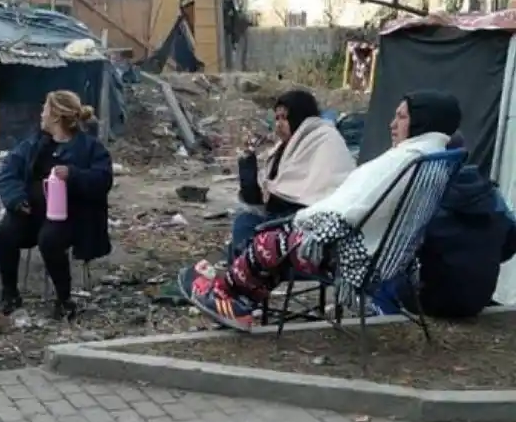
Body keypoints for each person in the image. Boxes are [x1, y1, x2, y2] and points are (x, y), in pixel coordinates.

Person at [179, 90, 462, 331]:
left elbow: (352, 204)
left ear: (423, 120)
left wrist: (307, 223)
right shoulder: (430, 157)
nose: (392, 124)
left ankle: (226, 295)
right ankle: (238, 301)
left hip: (353, 255)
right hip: (380, 254)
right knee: (264, 231)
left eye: (401, 117)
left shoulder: (407, 159)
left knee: (266, 240)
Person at [0, 90, 114, 320]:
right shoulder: (34, 144)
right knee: (6, 232)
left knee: (49, 240)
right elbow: (9, 173)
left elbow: (103, 180)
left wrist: (73, 174)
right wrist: (17, 200)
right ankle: (9, 292)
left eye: (45, 110)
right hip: (32, 212)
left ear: (56, 116)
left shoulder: (90, 148)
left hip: (73, 216)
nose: (41, 114)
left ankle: (64, 299)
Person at [373, 132, 516, 318]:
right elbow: (511, 239)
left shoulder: (424, 196)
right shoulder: (491, 193)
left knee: (377, 275)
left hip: (432, 301)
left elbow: (394, 251)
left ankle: (390, 323)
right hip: (478, 300)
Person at [232, 90, 354, 260]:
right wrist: (248, 167)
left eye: (284, 118)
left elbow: (316, 196)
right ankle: (239, 272)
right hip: (284, 221)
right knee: (243, 224)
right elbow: (262, 198)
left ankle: (239, 275)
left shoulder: (324, 139)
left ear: (301, 117)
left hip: (310, 230)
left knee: (245, 231)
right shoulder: (285, 148)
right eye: (277, 118)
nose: (279, 124)